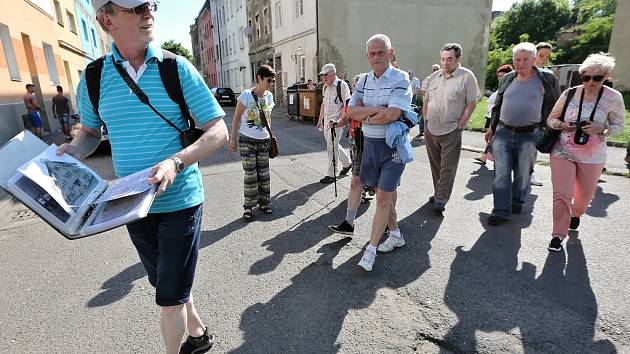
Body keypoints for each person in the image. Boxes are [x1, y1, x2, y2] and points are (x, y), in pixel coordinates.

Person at [57, 1, 228, 353]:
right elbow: (90, 132)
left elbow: (218, 130)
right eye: (134, 8)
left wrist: (176, 162)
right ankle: (198, 334)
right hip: (131, 205)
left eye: (149, 5)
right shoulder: (92, 77)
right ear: (107, 20)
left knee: (168, 298)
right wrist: (72, 150)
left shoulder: (176, 68)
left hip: (181, 198)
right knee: (167, 283)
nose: (147, 13)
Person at [345, 34, 412, 272]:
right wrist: (376, 112)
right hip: (369, 146)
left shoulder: (401, 78)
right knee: (382, 194)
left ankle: (370, 250)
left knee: (383, 198)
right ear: (367, 56)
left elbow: (393, 114)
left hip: (392, 147)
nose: (376, 57)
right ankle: (395, 234)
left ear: (391, 52)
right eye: (372, 53)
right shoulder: (363, 80)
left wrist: (365, 114)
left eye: (381, 52)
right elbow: (350, 111)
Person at [546, 53, 625, 252]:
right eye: (586, 77)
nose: (590, 82)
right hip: (562, 150)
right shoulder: (570, 94)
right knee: (562, 194)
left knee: (583, 198)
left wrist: (602, 128)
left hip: (593, 155)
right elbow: (551, 120)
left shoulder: (613, 98)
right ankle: (557, 234)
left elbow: (619, 126)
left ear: (606, 76)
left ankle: (576, 214)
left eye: (596, 78)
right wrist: (564, 125)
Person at [485, 42, 560, 225]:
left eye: (525, 59)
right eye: (517, 59)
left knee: (523, 173)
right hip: (503, 131)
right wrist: (492, 127)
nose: (520, 63)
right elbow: (498, 104)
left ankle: (517, 199)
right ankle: (501, 211)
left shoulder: (546, 79)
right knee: (501, 173)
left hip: (530, 133)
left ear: (534, 59)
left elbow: (557, 105)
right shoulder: (508, 78)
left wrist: (551, 130)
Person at [423, 43, 480, 213]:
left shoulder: (467, 76)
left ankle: (441, 198)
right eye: (442, 59)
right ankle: (438, 191)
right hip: (431, 128)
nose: (445, 63)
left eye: (449, 59)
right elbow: (426, 100)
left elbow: (472, 102)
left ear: (458, 59)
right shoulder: (434, 77)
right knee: (436, 165)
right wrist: (425, 120)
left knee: (448, 166)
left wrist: (461, 123)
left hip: (451, 129)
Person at [229, 65, 276, 221]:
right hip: (246, 140)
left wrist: (270, 135)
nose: (271, 83)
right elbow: (236, 117)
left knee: (264, 174)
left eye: (273, 81)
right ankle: (248, 207)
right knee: (251, 175)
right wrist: (233, 138)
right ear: (259, 78)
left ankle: (264, 203)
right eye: (269, 80)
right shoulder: (246, 96)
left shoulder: (269, 96)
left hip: (263, 141)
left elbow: (268, 118)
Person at [316, 63, 352, 184]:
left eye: (326, 75)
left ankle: (332, 174)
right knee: (333, 144)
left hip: (336, 122)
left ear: (333, 73)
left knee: (331, 147)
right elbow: (324, 104)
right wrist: (320, 119)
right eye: (322, 75)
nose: (324, 78)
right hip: (326, 121)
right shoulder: (325, 87)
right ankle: (347, 163)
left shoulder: (342, 85)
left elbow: (347, 104)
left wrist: (341, 120)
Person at [474, 64, 513, 165]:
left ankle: (489, 157)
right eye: (499, 76)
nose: (500, 78)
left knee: (494, 139)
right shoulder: (499, 88)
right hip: (490, 116)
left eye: (503, 76)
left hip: (498, 119)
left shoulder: (509, 88)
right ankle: (488, 156)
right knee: (490, 139)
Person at [529, 41, 556, 186]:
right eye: (541, 55)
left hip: (539, 119)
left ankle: (529, 174)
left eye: (547, 56)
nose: (544, 58)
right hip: (522, 117)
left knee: (533, 148)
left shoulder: (549, 75)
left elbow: (553, 99)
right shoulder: (525, 71)